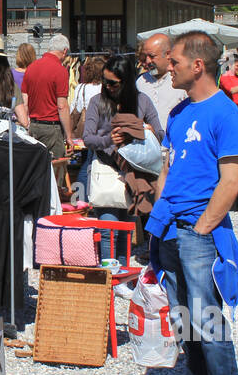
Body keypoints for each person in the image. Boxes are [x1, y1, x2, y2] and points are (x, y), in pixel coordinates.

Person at [149, 31, 238, 375]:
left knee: (208, 318)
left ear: (197, 66)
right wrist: (158, 220)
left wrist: (202, 227)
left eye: (173, 62)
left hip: (198, 230)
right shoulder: (177, 114)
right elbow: (168, 171)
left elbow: (231, 182)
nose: (165, 68)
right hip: (169, 229)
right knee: (183, 317)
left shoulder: (226, 114)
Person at [80, 54, 162, 259]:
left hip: (134, 174)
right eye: (104, 81)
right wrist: (109, 139)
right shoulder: (97, 102)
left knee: (126, 231)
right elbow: (88, 138)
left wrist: (148, 131)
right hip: (106, 169)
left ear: (126, 82)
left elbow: (161, 134)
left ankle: (122, 278)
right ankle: (110, 280)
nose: (107, 86)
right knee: (108, 231)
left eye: (112, 83)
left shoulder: (142, 101)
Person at [21, 34, 74, 161]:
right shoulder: (60, 70)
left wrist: (27, 124)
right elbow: (62, 106)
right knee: (55, 172)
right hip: (52, 128)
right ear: (65, 51)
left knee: (35, 169)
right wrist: (69, 136)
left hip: (33, 126)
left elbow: (25, 102)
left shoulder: (31, 68)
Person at [136, 33, 187, 124]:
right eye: (145, 56)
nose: (148, 61)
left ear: (168, 54)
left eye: (152, 56)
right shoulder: (140, 82)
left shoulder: (181, 82)